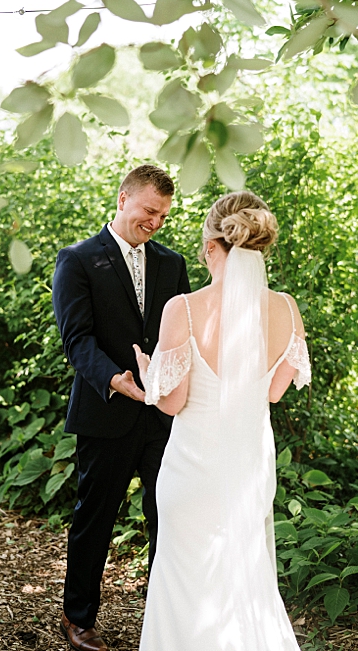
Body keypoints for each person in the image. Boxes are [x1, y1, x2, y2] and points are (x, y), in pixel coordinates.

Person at [134, 191, 310, 650]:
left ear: (212, 246)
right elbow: (272, 392)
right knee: (244, 584)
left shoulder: (184, 309)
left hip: (192, 472)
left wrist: (149, 371)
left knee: (185, 584)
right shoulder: (287, 309)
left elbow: (172, 403)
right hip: (250, 470)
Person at [51, 164, 191, 651]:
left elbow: (181, 339)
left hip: (162, 416)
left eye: (163, 216)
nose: (155, 222)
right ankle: (78, 619)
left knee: (166, 515)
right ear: (122, 199)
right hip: (106, 411)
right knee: (96, 517)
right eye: (149, 210)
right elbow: (77, 340)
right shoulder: (78, 260)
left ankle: (165, 618)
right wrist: (117, 380)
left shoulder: (173, 264)